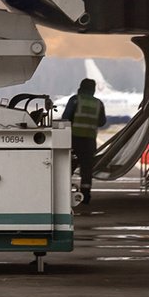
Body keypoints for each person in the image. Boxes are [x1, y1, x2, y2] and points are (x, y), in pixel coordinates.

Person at [62, 77, 106, 205]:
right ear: (93, 89)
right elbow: (102, 122)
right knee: (87, 169)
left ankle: (63, 192)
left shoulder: (75, 100)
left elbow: (66, 118)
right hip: (90, 141)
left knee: (68, 166)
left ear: (80, 87)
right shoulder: (98, 103)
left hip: (74, 140)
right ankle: (86, 195)